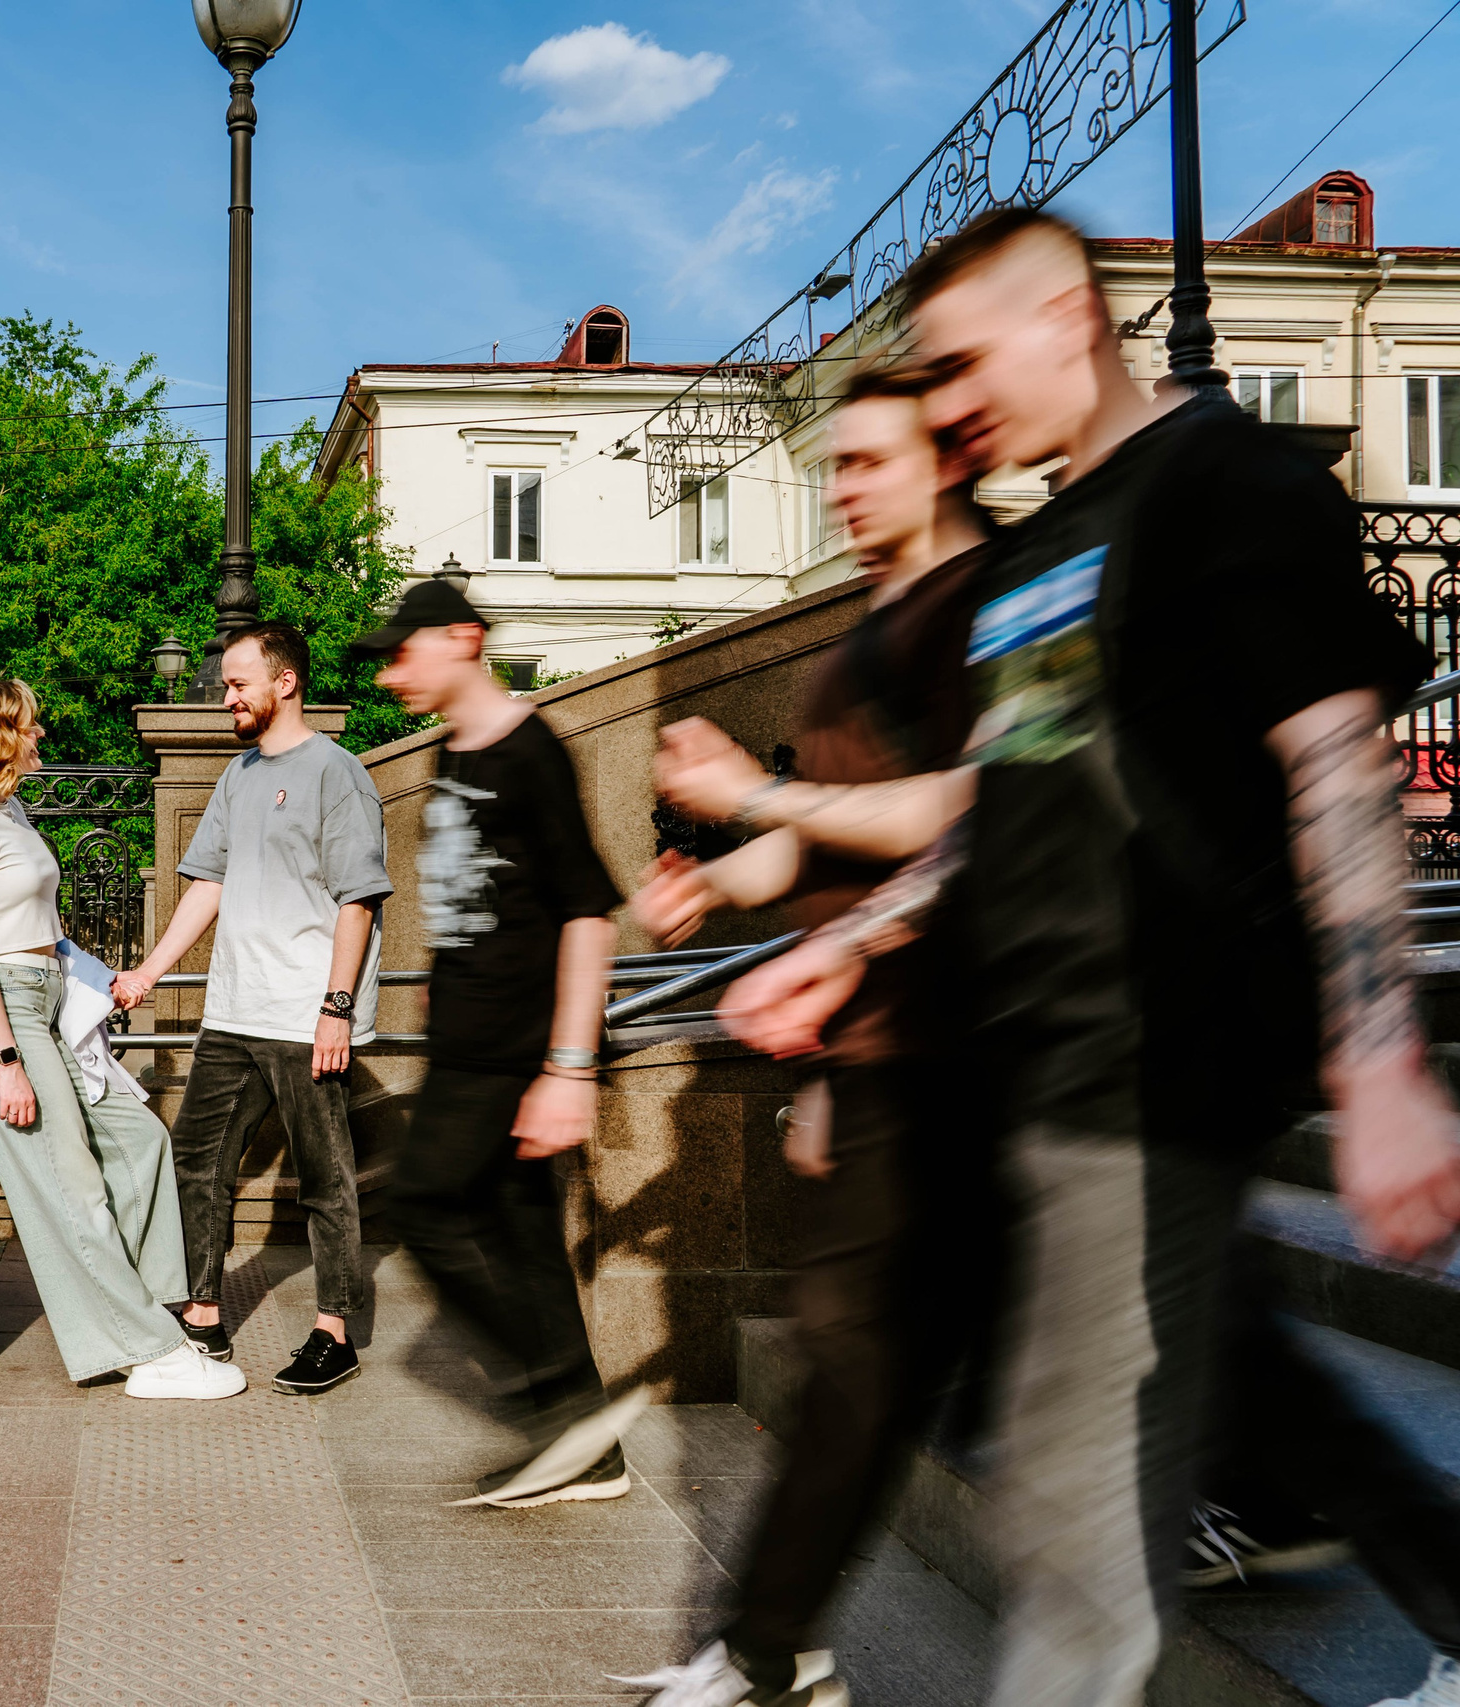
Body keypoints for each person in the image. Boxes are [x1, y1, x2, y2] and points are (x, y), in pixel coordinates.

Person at [658, 207, 1460, 1707]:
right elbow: (1011, 802)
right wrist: (857, 945)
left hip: (1152, 1066)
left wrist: (1383, 1056)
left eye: (962, 367)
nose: (949, 408)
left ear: (1070, 319)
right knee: (1106, 1460)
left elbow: (1337, 758)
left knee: (1079, 1528)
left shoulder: (1234, 480)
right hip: (1037, 1073)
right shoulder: (1048, 551)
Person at [620, 361, 999, 1707]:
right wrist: (716, 875)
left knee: (874, 1356)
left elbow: (971, 813)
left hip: (980, 1039)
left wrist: (740, 794)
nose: (841, 487)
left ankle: (764, 1642)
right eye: (831, 464)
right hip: (877, 1045)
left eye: (868, 462)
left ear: (946, 461)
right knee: (862, 1360)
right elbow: (813, 842)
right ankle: (768, 1641)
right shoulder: (850, 646)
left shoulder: (987, 611)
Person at [353, 578, 646, 1510]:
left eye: (407, 651)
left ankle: (544, 1403)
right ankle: (589, 1450)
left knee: (422, 1202)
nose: (394, 670)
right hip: (467, 1034)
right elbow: (469, 893)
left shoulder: (531, 751)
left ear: (463, 638)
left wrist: (569, 1068)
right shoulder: (450, 751)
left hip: (516, 1047)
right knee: (524, 1239)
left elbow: (588, 913)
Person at [0, 677, 245, 1401]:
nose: (41, 735)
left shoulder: (12, 812)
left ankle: (144, 1307)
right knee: (71, 1178)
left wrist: (97, 982)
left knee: (138, 1142)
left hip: (47, 997)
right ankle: (147, 1352)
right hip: (0, 1007)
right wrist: (8, 1061)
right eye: (30, 726)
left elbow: (45, 929)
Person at [112, 623, 393, 1395]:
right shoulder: (237, 775)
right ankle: (202, 1315)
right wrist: (149, 970)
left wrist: (336, 1007)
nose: (225, 697)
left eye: (238, 684)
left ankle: (334, 1331)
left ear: (286, 682)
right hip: (234, 1011)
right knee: (196, 1160)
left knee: (325, 1177)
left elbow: (358, 898)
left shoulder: (339, 775)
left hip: (306, 1015)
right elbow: (208, 882)